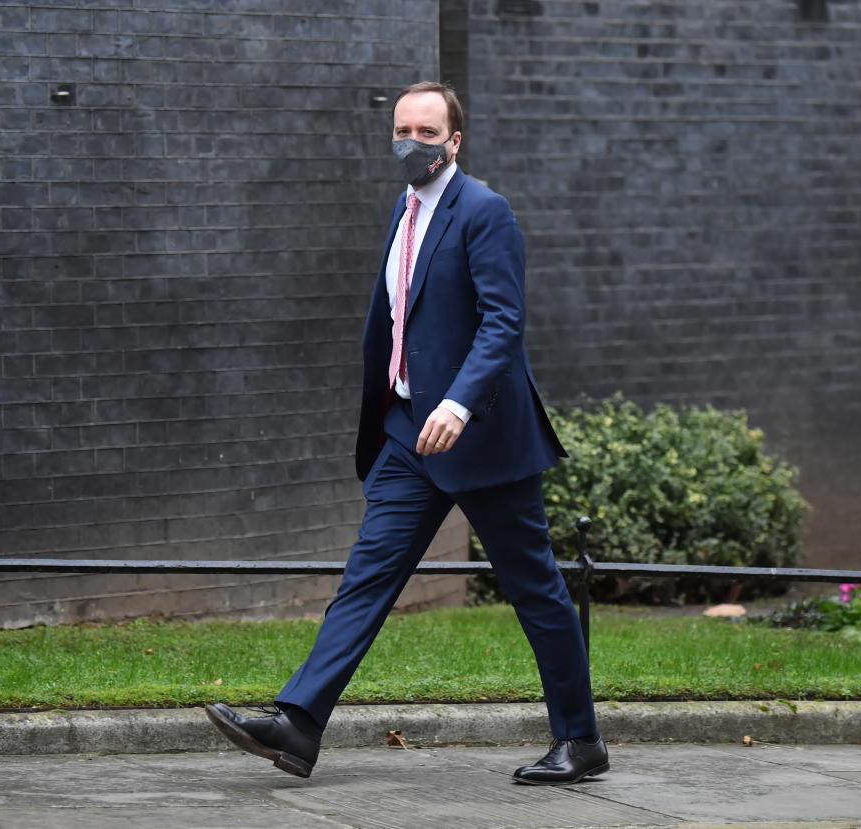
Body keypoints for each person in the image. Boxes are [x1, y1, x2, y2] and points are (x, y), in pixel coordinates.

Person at [205, 81, 607, 786]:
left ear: (455, 141)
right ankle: (299, 723)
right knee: (367, 577)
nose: (411, 143)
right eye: (402, 130)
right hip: (407, 431)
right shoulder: (404, 208)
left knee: (536, 589)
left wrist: (457, 402)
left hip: (481, 437)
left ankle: (580, 740)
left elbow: (503, 322)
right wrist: (410, 404)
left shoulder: (485, 211)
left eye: (427, 132)